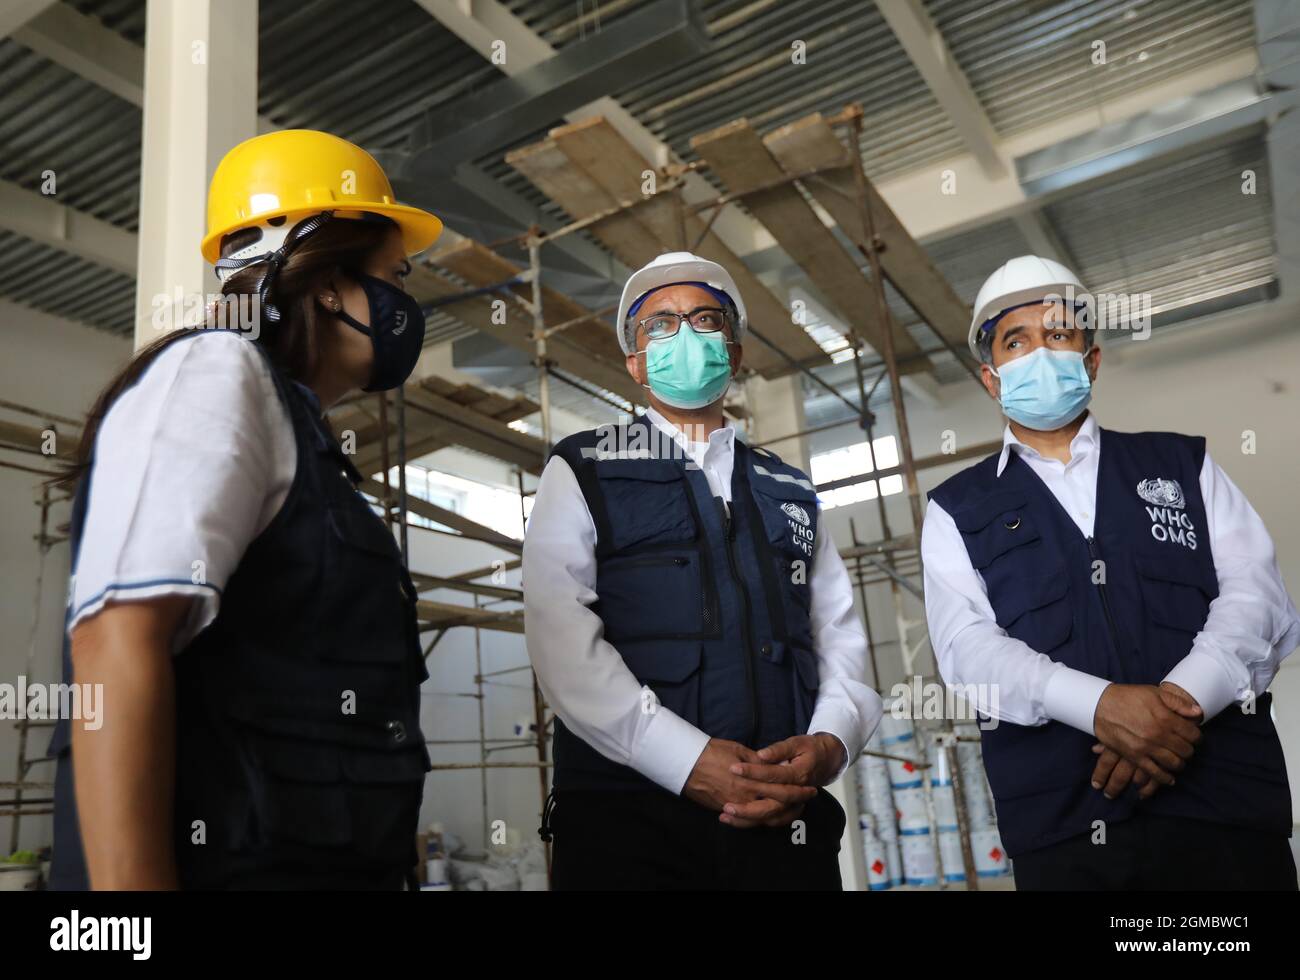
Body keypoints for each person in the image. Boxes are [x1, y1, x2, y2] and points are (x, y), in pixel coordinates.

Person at [48, 130, 443, 890]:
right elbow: (116, 641)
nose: (406, 301)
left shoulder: (302, 435)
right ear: (329, 281)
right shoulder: (215, 370)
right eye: (396, 276)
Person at [921, 255, 1299, 890]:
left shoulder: (1182, 464)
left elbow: (1258, 597)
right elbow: (968, 651)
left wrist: (1176, 708)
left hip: (1225, 812)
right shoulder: (956, 508)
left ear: (1090, 360)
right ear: (991, 379)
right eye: (1017, 341)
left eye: (1059, 335)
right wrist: (1100, 707)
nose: (1040, 353)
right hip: (1067, 830)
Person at [523, 251, 882, 890]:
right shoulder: (583, 467)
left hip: (785, 820)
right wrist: (688, 762)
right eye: (660, 325)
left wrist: (831, 742)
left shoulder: (789, 488)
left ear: (735, 352)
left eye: (705, 319)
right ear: (635, 362)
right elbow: (561, 642)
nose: (685, 336)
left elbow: (840, 635)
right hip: (629, 826)